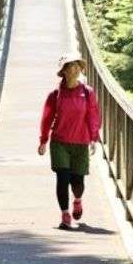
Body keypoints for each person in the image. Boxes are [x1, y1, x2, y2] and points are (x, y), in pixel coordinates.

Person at [37, 51, 101, 229]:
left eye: (77, 66)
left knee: (78, 181)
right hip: (60, 142)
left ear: (80, 69)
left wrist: (94, 138)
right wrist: (43, 140)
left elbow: (93, 116)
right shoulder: (55, 94)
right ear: (63, 71)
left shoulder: (88, 93)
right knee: (62, 178)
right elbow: (47, 118)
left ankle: (77, 201)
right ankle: (65, 215)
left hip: (81, 142)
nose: (74, 69)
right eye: (70, 66)